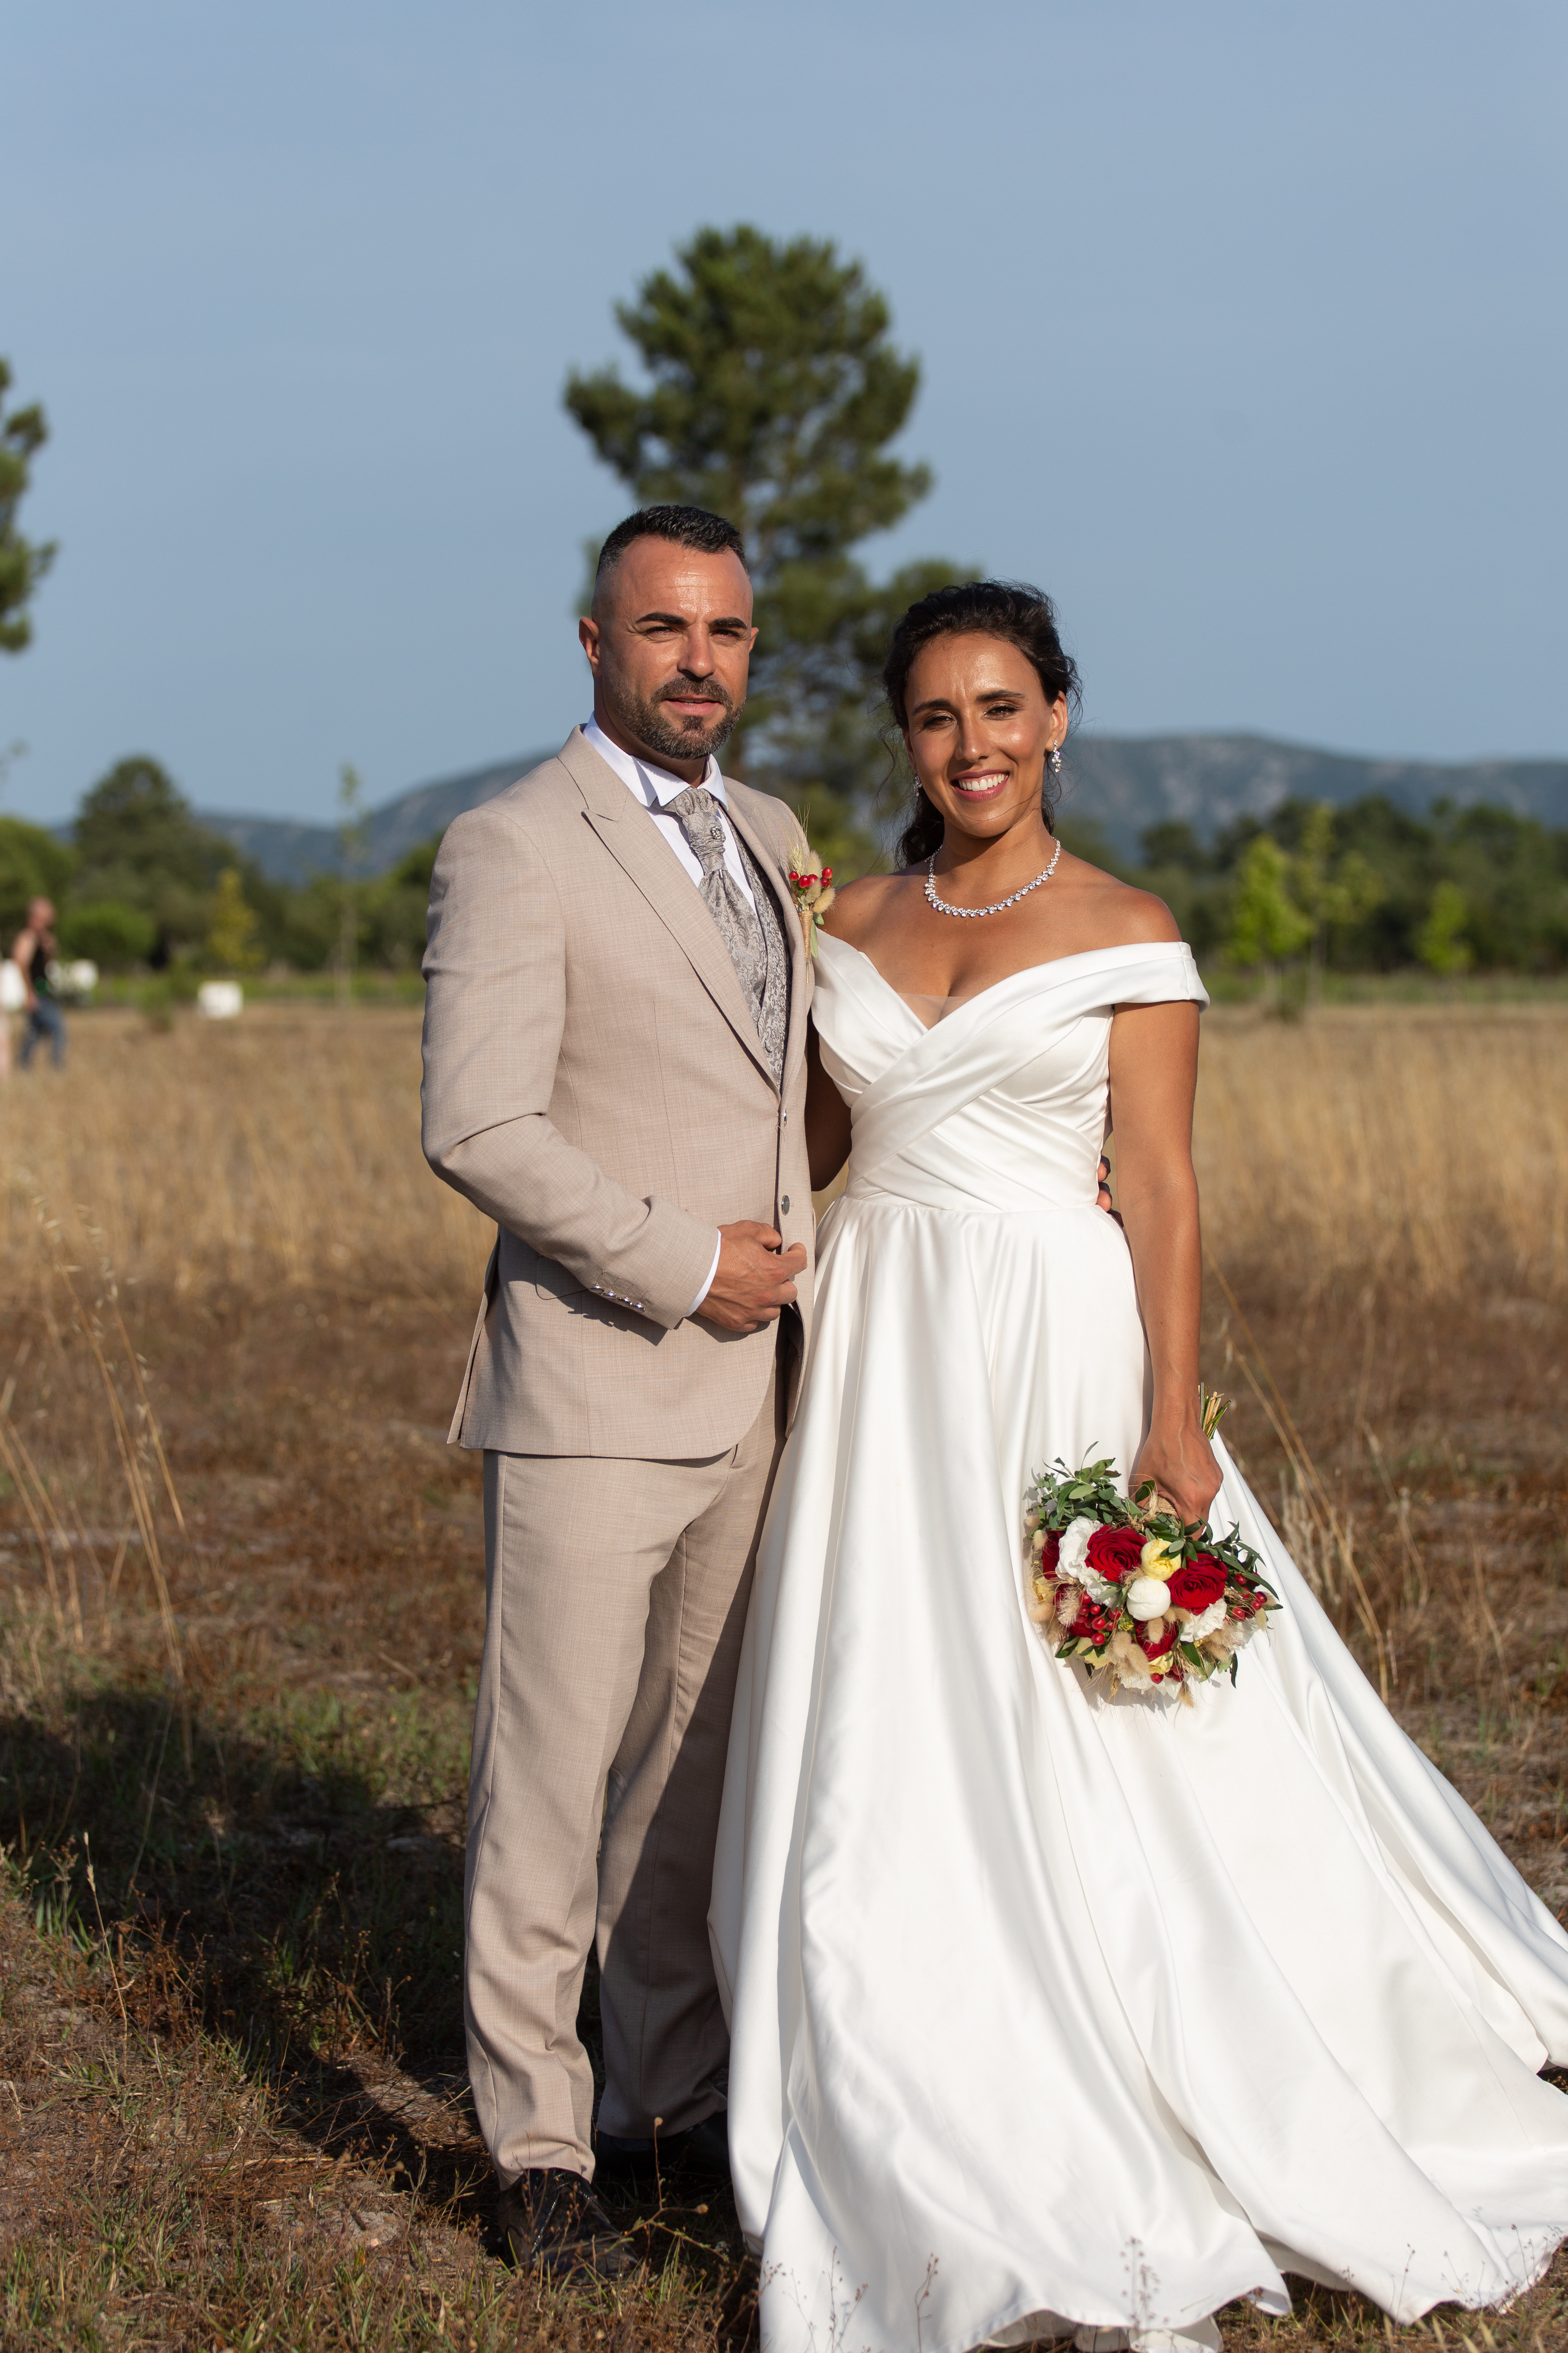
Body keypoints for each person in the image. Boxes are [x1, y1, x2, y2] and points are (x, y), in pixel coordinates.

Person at [710, 581, 1568, 2353]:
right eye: (939, 716)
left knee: (1110, 1726)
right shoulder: (847, 917)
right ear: (906, 739)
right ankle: (907, 2051)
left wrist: (1174, 1421)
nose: (973, 746)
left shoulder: (1130, 930)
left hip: (1055, 1350)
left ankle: (1225, 2040)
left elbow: (1163, 1188)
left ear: (1061, 718)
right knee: (896, 1699)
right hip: (885, 1354)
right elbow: (812, 1149)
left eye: (1004, 708)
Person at [421, 504, 818, 2277]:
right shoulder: (514, 842)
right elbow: (477, 1122)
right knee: (549, 1775)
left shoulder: (778, 835)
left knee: (689, 1769)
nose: (697, 664)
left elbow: (799, 1094)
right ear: (594, 640)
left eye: (725, 633)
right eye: (663, 630)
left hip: (761, 1395)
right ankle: (532, 2140)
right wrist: (676, 1259)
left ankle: (667, 2101)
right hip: (594, 1377)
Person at [12, 897, 66, 1069]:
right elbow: (21, 962)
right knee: (58, 1030)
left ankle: (23, 1066)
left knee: (35, 1032)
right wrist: (29, 993)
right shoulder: (28, 937)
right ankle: (57, 1066)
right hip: (37, 992)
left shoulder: (43, 938)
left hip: (44, 990)